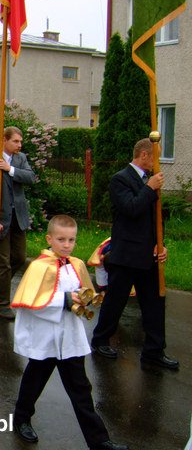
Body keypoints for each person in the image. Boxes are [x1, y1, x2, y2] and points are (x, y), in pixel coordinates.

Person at [10, 215, 128, 450]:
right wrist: (64, 300)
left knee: (81, 390)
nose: (66, 244)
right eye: (61, 239)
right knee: (34, 381)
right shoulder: (38, 267)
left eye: (71, 240)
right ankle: (21, 418)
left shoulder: (76, 265)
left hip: (69, 340)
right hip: (47, 340)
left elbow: (85, 290)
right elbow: (31, 301)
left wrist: (85, 298)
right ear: (49, 239)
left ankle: (99, 441)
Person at [91, 138, 177, 370]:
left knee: (154, 303)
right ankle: (100, 341)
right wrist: (149, 188)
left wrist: (161, 244)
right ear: (144, 155)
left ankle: (154, 351)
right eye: (156, 157)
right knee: (115, 301)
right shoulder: (121, 179)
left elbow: (156, 218)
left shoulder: (151, 182)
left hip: (148, 254)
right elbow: (131, 209)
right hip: (126, 253)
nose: (158, 163)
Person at [0, 126, 36, 320]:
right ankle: (2, 304)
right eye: (16, 141)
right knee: (2, 263)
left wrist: (10, 169)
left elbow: (31, 177)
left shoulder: (20, 160)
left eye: (21, 141)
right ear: (4, 140)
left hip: (17, 218)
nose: (20, 145)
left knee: (19, 257)